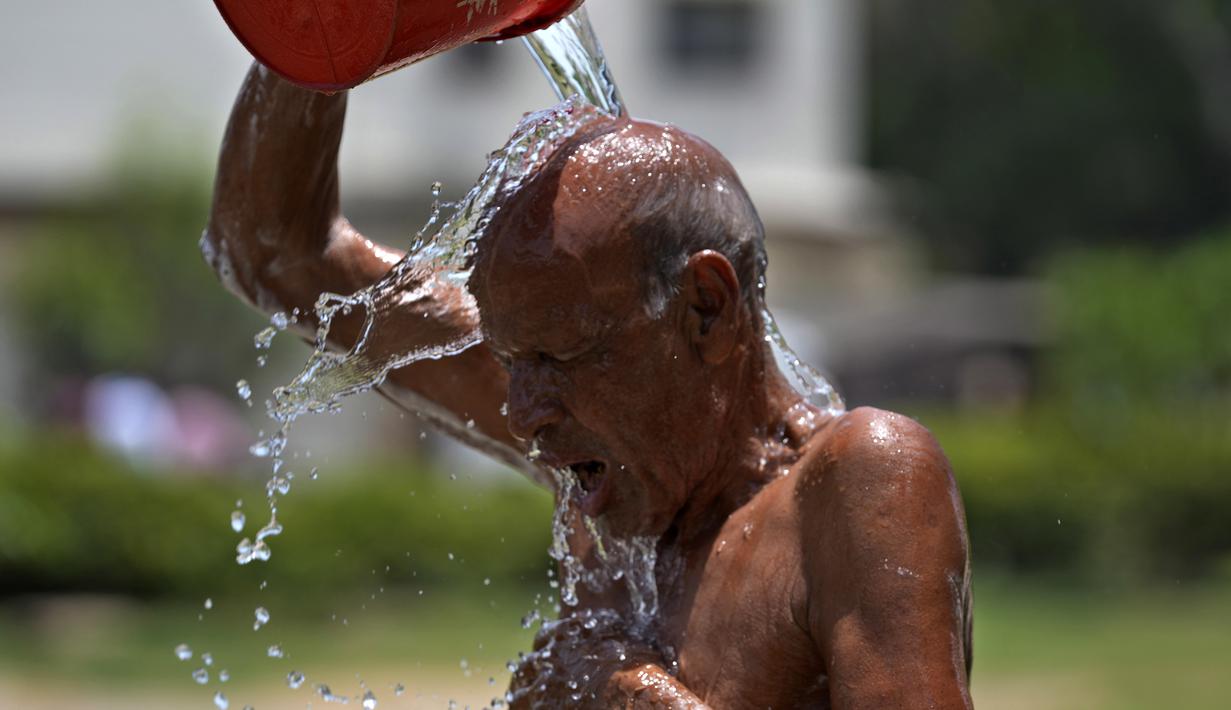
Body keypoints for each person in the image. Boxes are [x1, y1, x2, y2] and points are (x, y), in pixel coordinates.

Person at [205, 62, 974, 709]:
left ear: (705, 309)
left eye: (561, 355)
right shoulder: (600, 449)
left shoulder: (853, 484)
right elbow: (276, 252)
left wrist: (632, 696)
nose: (520, 411)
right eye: (510, 359)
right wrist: (321, 36)